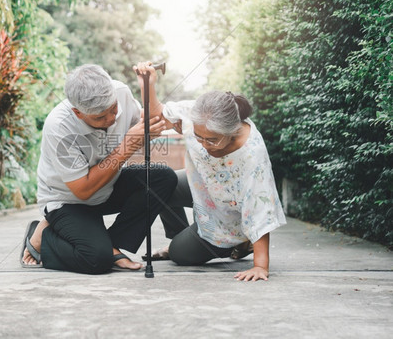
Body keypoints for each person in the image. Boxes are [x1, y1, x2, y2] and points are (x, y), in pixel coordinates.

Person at [133, 62, 287, 281]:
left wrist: (260, 266)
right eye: (199, 137)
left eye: (212, 140)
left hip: (227, 220)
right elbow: (156, 115)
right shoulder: (198, 113)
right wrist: (147, 84)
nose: (204, 144)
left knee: (178, 254)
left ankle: (239, 242)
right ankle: (182, 235)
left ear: (232, 131)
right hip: (202, 188)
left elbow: (259, 211)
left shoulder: (252, 156)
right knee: (157, 182)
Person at [21, 64, 177, 274]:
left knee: (163, 178)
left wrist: (147, 87)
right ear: (78, 113)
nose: (111, 119)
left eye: (113, 110)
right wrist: (128, 146)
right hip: (69, 201)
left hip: (107, 187)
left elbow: (146, 123)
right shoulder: (59, 127)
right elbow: (83, 190)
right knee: (95, 260)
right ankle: (44, 235)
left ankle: (110, 244)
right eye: (100, 117)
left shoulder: (120, 92)